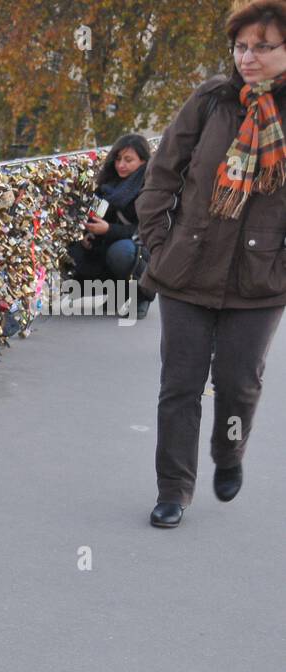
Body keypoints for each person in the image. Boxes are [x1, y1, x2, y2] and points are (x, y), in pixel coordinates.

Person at [136, 0, 286, 528]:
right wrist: (157, 242)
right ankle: (174, 488)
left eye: (263, 46)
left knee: (239, 382)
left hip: (262, 279)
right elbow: (162, 174)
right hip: (186, 269)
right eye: (242, 46)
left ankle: (228, 454)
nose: (248, 56)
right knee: (179, 384)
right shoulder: (211, 101)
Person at [67, 134, 155, 318]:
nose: (121, 165)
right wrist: (87, 235)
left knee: (123, 252)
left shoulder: (151, 187)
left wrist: (109, 230)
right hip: (105, 243)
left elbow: (147, 230)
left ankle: (141, 296)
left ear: (143, 161)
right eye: (118, 159)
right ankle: (116, 293)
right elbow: (94, 216)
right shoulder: (108, 183)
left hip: (139, 248)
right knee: (71, 251)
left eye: (128, 160)